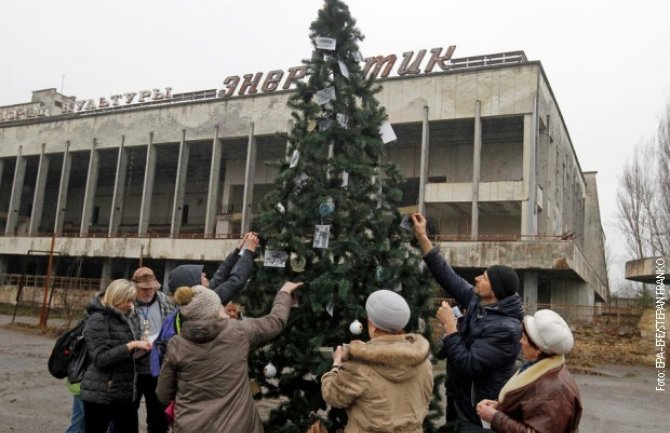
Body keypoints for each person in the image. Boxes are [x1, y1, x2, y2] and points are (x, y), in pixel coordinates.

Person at [411, 212, 523, 430]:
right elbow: (446, 275)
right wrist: (422, 237)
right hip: (459, 398)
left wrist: (450, 327)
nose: (477, 279)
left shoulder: (507, 329)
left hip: (479, 411)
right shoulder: (476, 300)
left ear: (496, 291)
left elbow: (470, 364)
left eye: (485, 277)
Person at [156, 281, 302, 433]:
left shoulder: (176, 345)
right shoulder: (238, 331)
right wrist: (284, 292)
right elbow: (274, 322)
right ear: (214, 310)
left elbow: (163, 394)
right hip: (238, 426)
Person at [321, 289, 433, 433]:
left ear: (372, 325)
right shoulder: (423, 361)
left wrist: (336, 366)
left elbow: (333, 397)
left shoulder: (358, 365)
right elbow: (425, 400)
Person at [150, 232, 259, 376]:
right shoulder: (204, 304)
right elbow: (235, 282)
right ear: (193, 283)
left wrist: (238, 251)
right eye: (200, 275)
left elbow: (219, 277)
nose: (205, 275)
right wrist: (249, 252)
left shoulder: (192, 301)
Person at [476, 309, 582, 433]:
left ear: (539, 350)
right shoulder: (543, 369)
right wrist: (500, 407)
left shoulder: (553, 392)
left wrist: (495, 417)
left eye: (525, 338)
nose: (521, 341)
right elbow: (529, 409)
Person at [80, 279, 152, 433]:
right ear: (116, 298)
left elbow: (123, 352)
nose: (130, 304)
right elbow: (100, 358)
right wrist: (132, 345)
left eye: (132, 300)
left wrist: (141, 347)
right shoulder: (97, 319)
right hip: (100, 393)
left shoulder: (124, 318)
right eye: (127, 300)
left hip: (124, 391)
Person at [129, 266, 175, 433]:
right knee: (126, 416)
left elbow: (173, 329)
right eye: (144, 289)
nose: (148, 292)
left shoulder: (166, 301)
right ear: (134, 287)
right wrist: (134, 342)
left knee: (158, 419)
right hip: (132, 370)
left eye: (152, 288)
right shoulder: (126, 303)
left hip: (158, 370)